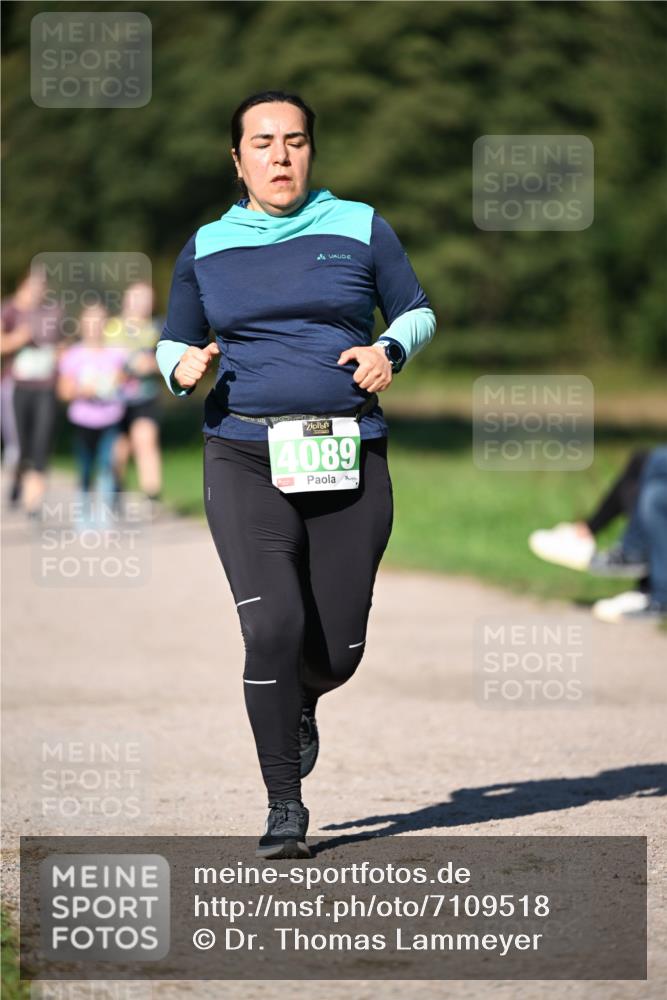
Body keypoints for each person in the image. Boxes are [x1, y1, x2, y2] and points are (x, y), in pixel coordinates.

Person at [156, 90, 436, 859]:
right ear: (237, 158)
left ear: (311, 151)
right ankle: (284, 804)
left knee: (336, 652)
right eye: (264, 143)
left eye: (296, 141)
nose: (280, 156)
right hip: (243, 451)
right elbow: (171, 342)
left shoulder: (358, 225)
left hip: (347, 453)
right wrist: (181, 365)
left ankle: (302, 697)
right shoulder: (207, 244)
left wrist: (390, 350)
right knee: (270, 626)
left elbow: (415, 310)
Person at [58, 304, 129, 525]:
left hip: (111, 418)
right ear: (81, 325)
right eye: (90, 321)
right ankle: (83, 516)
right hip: (83, 419)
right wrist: (83, 390)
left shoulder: (117, 353)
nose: (94, 326)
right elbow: (64, 391)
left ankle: (105, 517)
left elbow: (126, 382)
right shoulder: (73, 355)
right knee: (86, 467)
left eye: (99, 321)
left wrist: (117, 381)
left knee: (108, 465)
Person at [0, 267, 63, 517]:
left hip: (46, 386)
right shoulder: (9, 310)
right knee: (20, 445)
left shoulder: (54, 311)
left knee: (42, 442)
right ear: (22, 285)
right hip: (16, 387)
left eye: (42, 285)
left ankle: (33, 504)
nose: (38, 290)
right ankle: (17, 477)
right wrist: (19, 338)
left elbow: (62, 342)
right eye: (33, 285)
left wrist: (60, 352)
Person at [104, 282, 163, 505]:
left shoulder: (157, 328)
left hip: (145, 396)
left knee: (146, 440)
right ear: (126, 300)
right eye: (137, 297)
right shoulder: (112, 328)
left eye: (147, 298)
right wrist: (127, 365)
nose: (142, 303)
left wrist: (153, 365)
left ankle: (152, 495)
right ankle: (115, 490)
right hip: (115, 398)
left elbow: (169, 360)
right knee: (118, 447)